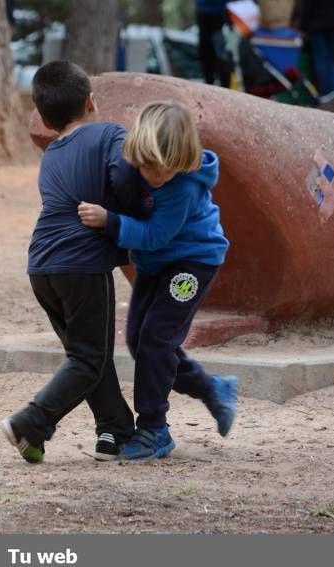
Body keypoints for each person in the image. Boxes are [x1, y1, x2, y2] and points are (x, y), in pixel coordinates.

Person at [0, 61, 148, 464]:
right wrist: (134, 215)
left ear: (45, 120)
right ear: (91, 102)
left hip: (41, 267)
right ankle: (31, 422)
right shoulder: (110, 135)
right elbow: (125, 179)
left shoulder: (51, 156)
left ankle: (114, 432)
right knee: (87, 358)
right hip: (81, 266)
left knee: (90, 353)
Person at [77, 101, 238, 461]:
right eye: (150, 166)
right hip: (155, 264)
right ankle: (214, 389)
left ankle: (154, 429)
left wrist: (111, 221)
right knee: (140, 342)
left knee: (155, 339)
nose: (158, 175)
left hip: (190, 262)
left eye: (167, 169)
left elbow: (155, 236)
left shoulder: (182, 187)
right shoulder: (134, 168)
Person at [296, 0, 334, 103]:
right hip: (333, 24)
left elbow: (307, 9)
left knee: (321, 60)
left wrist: (302, 28)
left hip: (318, 26)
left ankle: (325, 92)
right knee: (331, 59)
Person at [195, 0, 232, 88]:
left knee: (221, 54)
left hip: (220, 15)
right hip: (206, 14)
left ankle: (223, 85)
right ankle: (210, 82)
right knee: (208, 52)